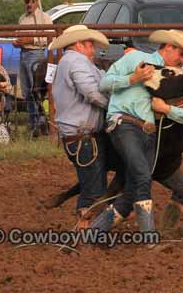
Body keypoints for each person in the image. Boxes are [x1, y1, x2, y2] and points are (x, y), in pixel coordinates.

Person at [99, 29, 183, 233]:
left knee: (133, 189)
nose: (182, 59)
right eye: (181, 54)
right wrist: (133, 78)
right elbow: (104, 84)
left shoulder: (179, 78)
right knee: (142, 176)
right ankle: (149, 239)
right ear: (169, 47)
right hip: (125, 124)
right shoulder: (136, 58)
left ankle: (94, 231)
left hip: (151, 135)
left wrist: (166, 109)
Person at [50, 25, 113, 229]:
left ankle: (88, 231)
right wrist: (114, 106)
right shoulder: (76, 61)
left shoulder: (73, 61)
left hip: (80, 135)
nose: (93, 50)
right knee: (93, 191)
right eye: (90, 45)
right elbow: (92, 92)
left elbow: (102, 80)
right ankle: (85, 234)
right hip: (83, 136)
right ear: (79, 44)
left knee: (93, 185)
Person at [13, 0, 52, 137]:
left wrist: (31, 40)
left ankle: (40, 122)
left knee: (36, 90)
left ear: (37, 1)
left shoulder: (44, 17)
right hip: (24, 53)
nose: (29, 4)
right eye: (27, 1)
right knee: (27, 90)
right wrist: (18, 42)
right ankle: (33, 121)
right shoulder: (23, 18)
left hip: (37, 53)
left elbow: (50, 37)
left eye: (31, 1)